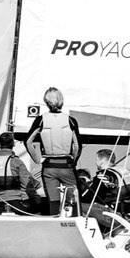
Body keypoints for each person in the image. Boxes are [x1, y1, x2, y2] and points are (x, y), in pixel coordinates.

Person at [27, 88, 84, 216]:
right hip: (66, 164)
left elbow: (28, 141)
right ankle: (75, 221)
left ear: (46, 102)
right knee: (73, 200)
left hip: (48, 166)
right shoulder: (70, 120)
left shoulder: (41, 120)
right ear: (61, 100)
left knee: (53, 202)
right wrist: (73, 161)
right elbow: (77, 146)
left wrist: (37, 159)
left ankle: (55, 223)